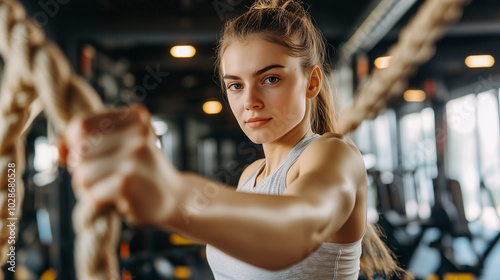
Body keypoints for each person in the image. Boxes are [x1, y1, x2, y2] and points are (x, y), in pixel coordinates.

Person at [59, 0, 407, 279]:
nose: (249, 101)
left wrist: (169, 192)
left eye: (270, 79)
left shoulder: (333, 154)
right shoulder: (250, 175)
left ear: (312, 82)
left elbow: (296, 229)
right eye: (236, 85)